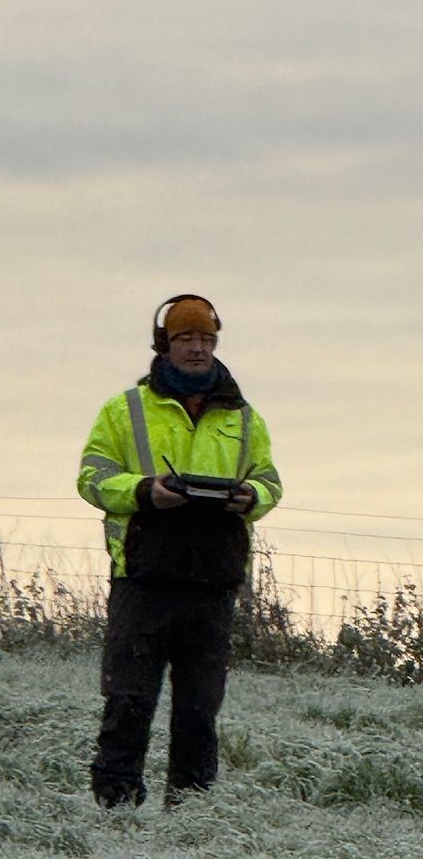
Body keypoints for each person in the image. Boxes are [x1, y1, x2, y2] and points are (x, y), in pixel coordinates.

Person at [78, 295, 282, 808]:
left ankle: (192, 813)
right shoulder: (123, 410)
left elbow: (270, 481)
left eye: (206, 340)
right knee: (129, 698)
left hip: (213, 579)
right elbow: (93, 478)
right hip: (144, 575)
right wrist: (147, 490)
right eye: (186, 339)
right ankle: (116, 804)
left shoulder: (246, 417)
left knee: (199, 708)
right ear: (164, 345)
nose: (197, 349)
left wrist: (250, 497)